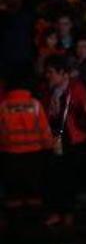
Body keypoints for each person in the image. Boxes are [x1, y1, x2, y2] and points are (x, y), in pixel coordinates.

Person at [42, 55, 86, 227]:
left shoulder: (76, 88)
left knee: (69, 177)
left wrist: (82, 110)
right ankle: (56, 211)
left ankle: (69, 212)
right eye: (47, 72)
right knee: (54, 175)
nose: (48, 75)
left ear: (62, 73)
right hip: (55, 138)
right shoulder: (48, 91)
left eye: (51, 72)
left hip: (73, 139)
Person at [0, 73, 54, 215]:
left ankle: (14, 225)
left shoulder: (4, 106)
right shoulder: (35, 105)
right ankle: (34, 224)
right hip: (34, 155)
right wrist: (49, 148)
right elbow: (45, 130)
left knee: (13, 192)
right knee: (33, 191)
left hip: (10, 154)